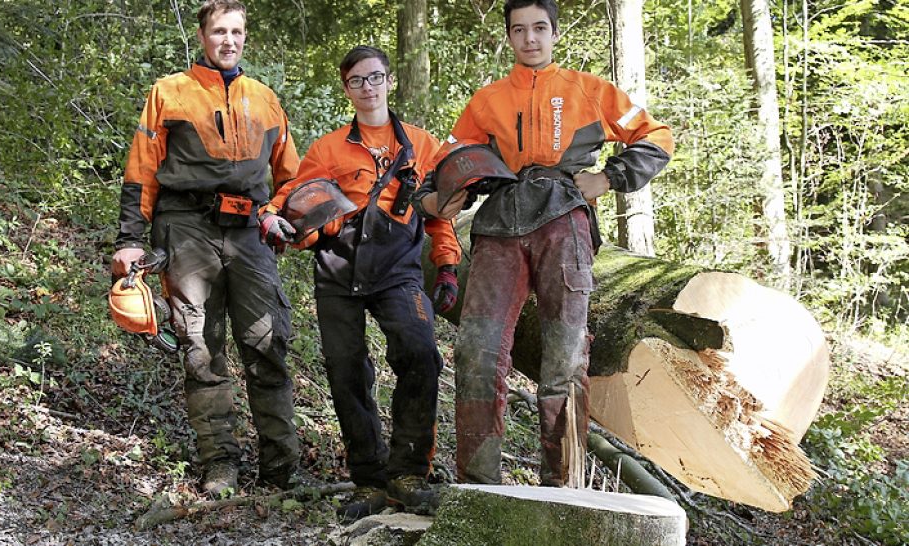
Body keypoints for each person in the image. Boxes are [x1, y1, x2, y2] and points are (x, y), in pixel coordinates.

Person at [412, 0, 674, 487]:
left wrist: (609, 177)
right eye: (519, 30)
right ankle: (479, 488)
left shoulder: (589, 90)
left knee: (566, 357)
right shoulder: (487, 100)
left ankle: (563, 485)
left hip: (564, 219)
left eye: (538, 28)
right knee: (477, 351)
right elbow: (447, 163)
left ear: (554, 33)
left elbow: (657, 135)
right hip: (498, 225)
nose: (529, 38)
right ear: (509, 37)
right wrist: (435, 199)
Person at [110, 0, 302, 496]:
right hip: (185, 227)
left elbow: (291, 177)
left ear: (245, 37)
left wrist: (285, 215)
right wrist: (130, 239)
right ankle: (220, 464)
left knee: (268, 342)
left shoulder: (265, 99)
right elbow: (141, 171)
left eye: (236, 31)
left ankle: (281, 469)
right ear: (202, 36)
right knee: (200, 347)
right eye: (219, 31)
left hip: (250, 231)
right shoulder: (169, 92)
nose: (228, 40)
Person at [263, 45, 461, 521]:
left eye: (374, 77)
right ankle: (369, 480)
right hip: (338, 267)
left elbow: (440, 212)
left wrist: (447, 265)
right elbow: (292, 194)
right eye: (357, 81)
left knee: (420, 353)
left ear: (389, 81)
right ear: (346, 89)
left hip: (398, 269)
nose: (367, 87)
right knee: (346, 371)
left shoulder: (422, 145)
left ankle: (409, 475)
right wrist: (270, 216)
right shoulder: (328, 149)